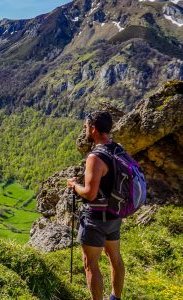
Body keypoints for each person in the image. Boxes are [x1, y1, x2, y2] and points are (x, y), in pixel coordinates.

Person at [67, 111, 125, 300]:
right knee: (115, 258)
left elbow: (90, 194)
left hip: (95, 218)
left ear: (93, 129)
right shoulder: (118, 149)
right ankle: (115, 297)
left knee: (90, 264)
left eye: (86, 127)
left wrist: (74, 185)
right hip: (114, 214)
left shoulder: (95, 157)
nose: (85, 130)